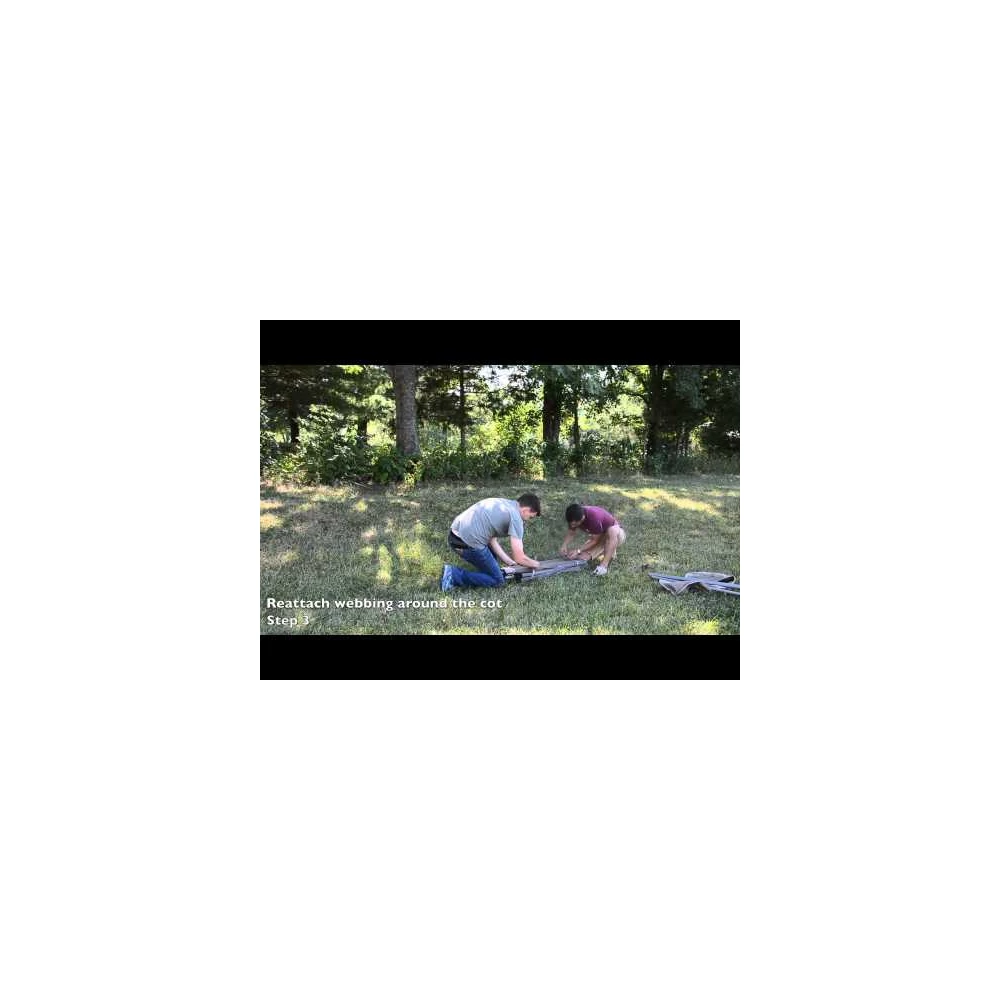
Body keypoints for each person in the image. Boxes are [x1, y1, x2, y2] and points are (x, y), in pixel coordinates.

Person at [440, 494, 542, 591]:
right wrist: (536, 564)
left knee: (493, 567)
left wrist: (508, 561)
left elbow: (491, 539)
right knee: (497, 580)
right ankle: (453, 575)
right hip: (466, 543)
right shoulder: (516, 519)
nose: (528, 520)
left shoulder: (504, 504)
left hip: (454, 537)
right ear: (525, 510)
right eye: (530, 517)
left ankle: (484, 572)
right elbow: (519, 557)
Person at [559, 502, 626, 576]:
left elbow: (595, 540)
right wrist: (564, 545)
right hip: (601, 536)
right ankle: (609, 551)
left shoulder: (593, 517)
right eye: (571, 524)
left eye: (574, 524)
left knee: (611, 530)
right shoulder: (574, 515)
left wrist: (577, 550)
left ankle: (603, 566)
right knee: (582, 557)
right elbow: (571, 533)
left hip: (617, 535)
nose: (572, 526)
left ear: (582, 518)